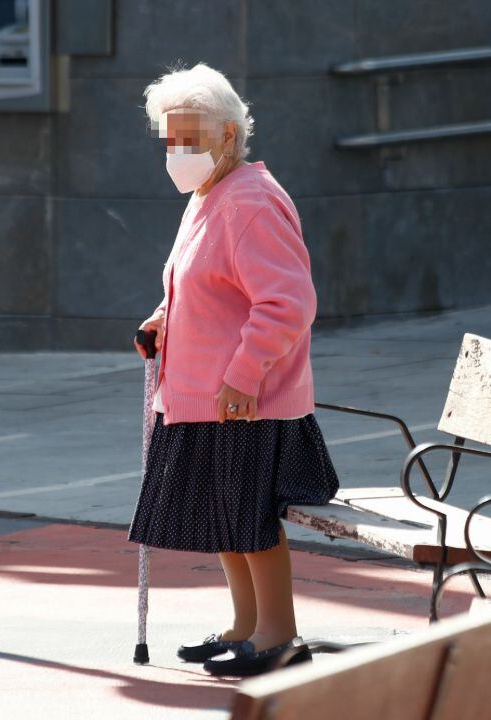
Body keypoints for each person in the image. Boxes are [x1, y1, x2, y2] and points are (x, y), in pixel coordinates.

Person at [127, 61, 340, 677]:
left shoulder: (250, 200)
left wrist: (243, 375)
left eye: (191, 137)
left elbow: (289, 303)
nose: (179, 151)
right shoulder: (208, 197)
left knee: (251, 522)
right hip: (202, 396)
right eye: (171, 137)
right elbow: (205, 286)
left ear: (227, 135)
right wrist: (164, 319)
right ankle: (246, 626)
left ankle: (278, 635)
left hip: (246, 401)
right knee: (226, 518)